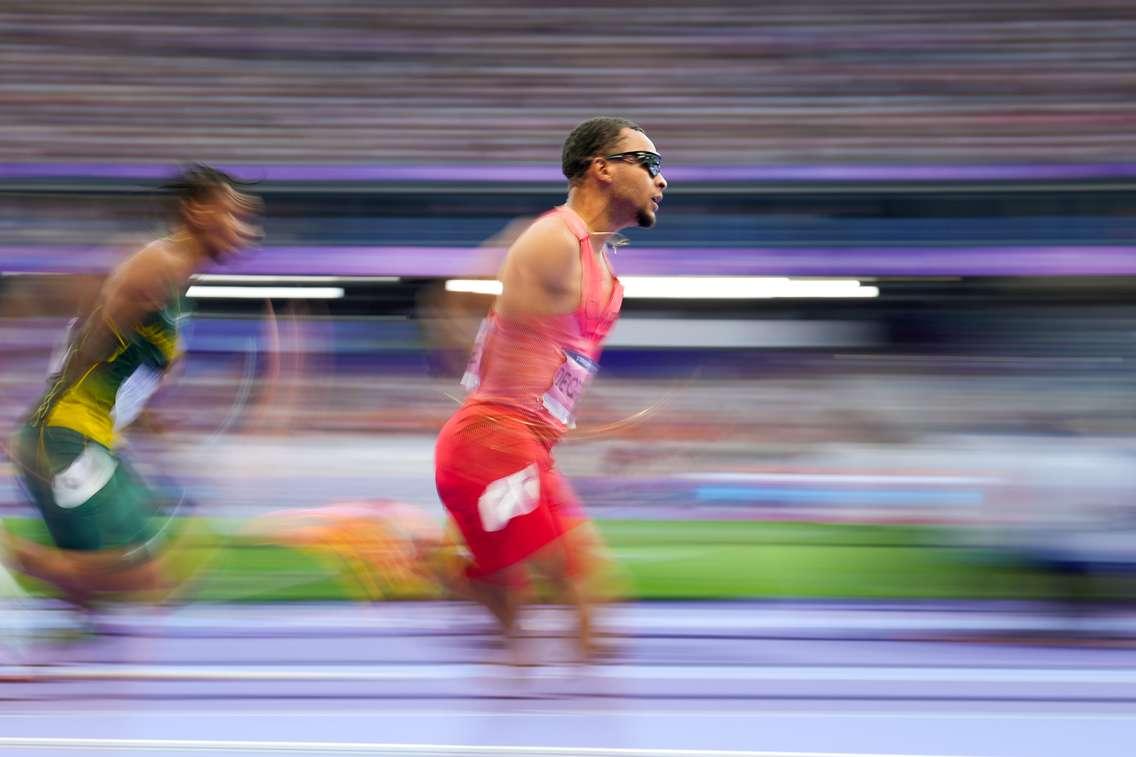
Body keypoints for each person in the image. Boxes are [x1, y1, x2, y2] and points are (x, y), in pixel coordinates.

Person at [434, 117, 667, 662]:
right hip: (493, 445)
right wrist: (488, 388)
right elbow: (451, 301)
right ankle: (427, 560)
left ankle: (446, 566)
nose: (663, 180)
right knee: (585, 594)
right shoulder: (554, 238)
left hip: (522, 448)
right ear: (602, 168)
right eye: (650, 163)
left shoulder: (605, 272)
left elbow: (561, 362)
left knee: (515, 624)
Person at [3, 163, 261, 608]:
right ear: (197, 212)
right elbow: (86, 340)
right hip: (67, 437)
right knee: (143, 577)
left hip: (91, 436)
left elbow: (119, 373)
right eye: (234, 214)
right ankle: (12, 556)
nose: (245, 230)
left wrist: (155, 425)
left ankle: (57, 661)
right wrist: (41, 434)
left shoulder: (175, 291)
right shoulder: (155, 265)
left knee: (112, 587)